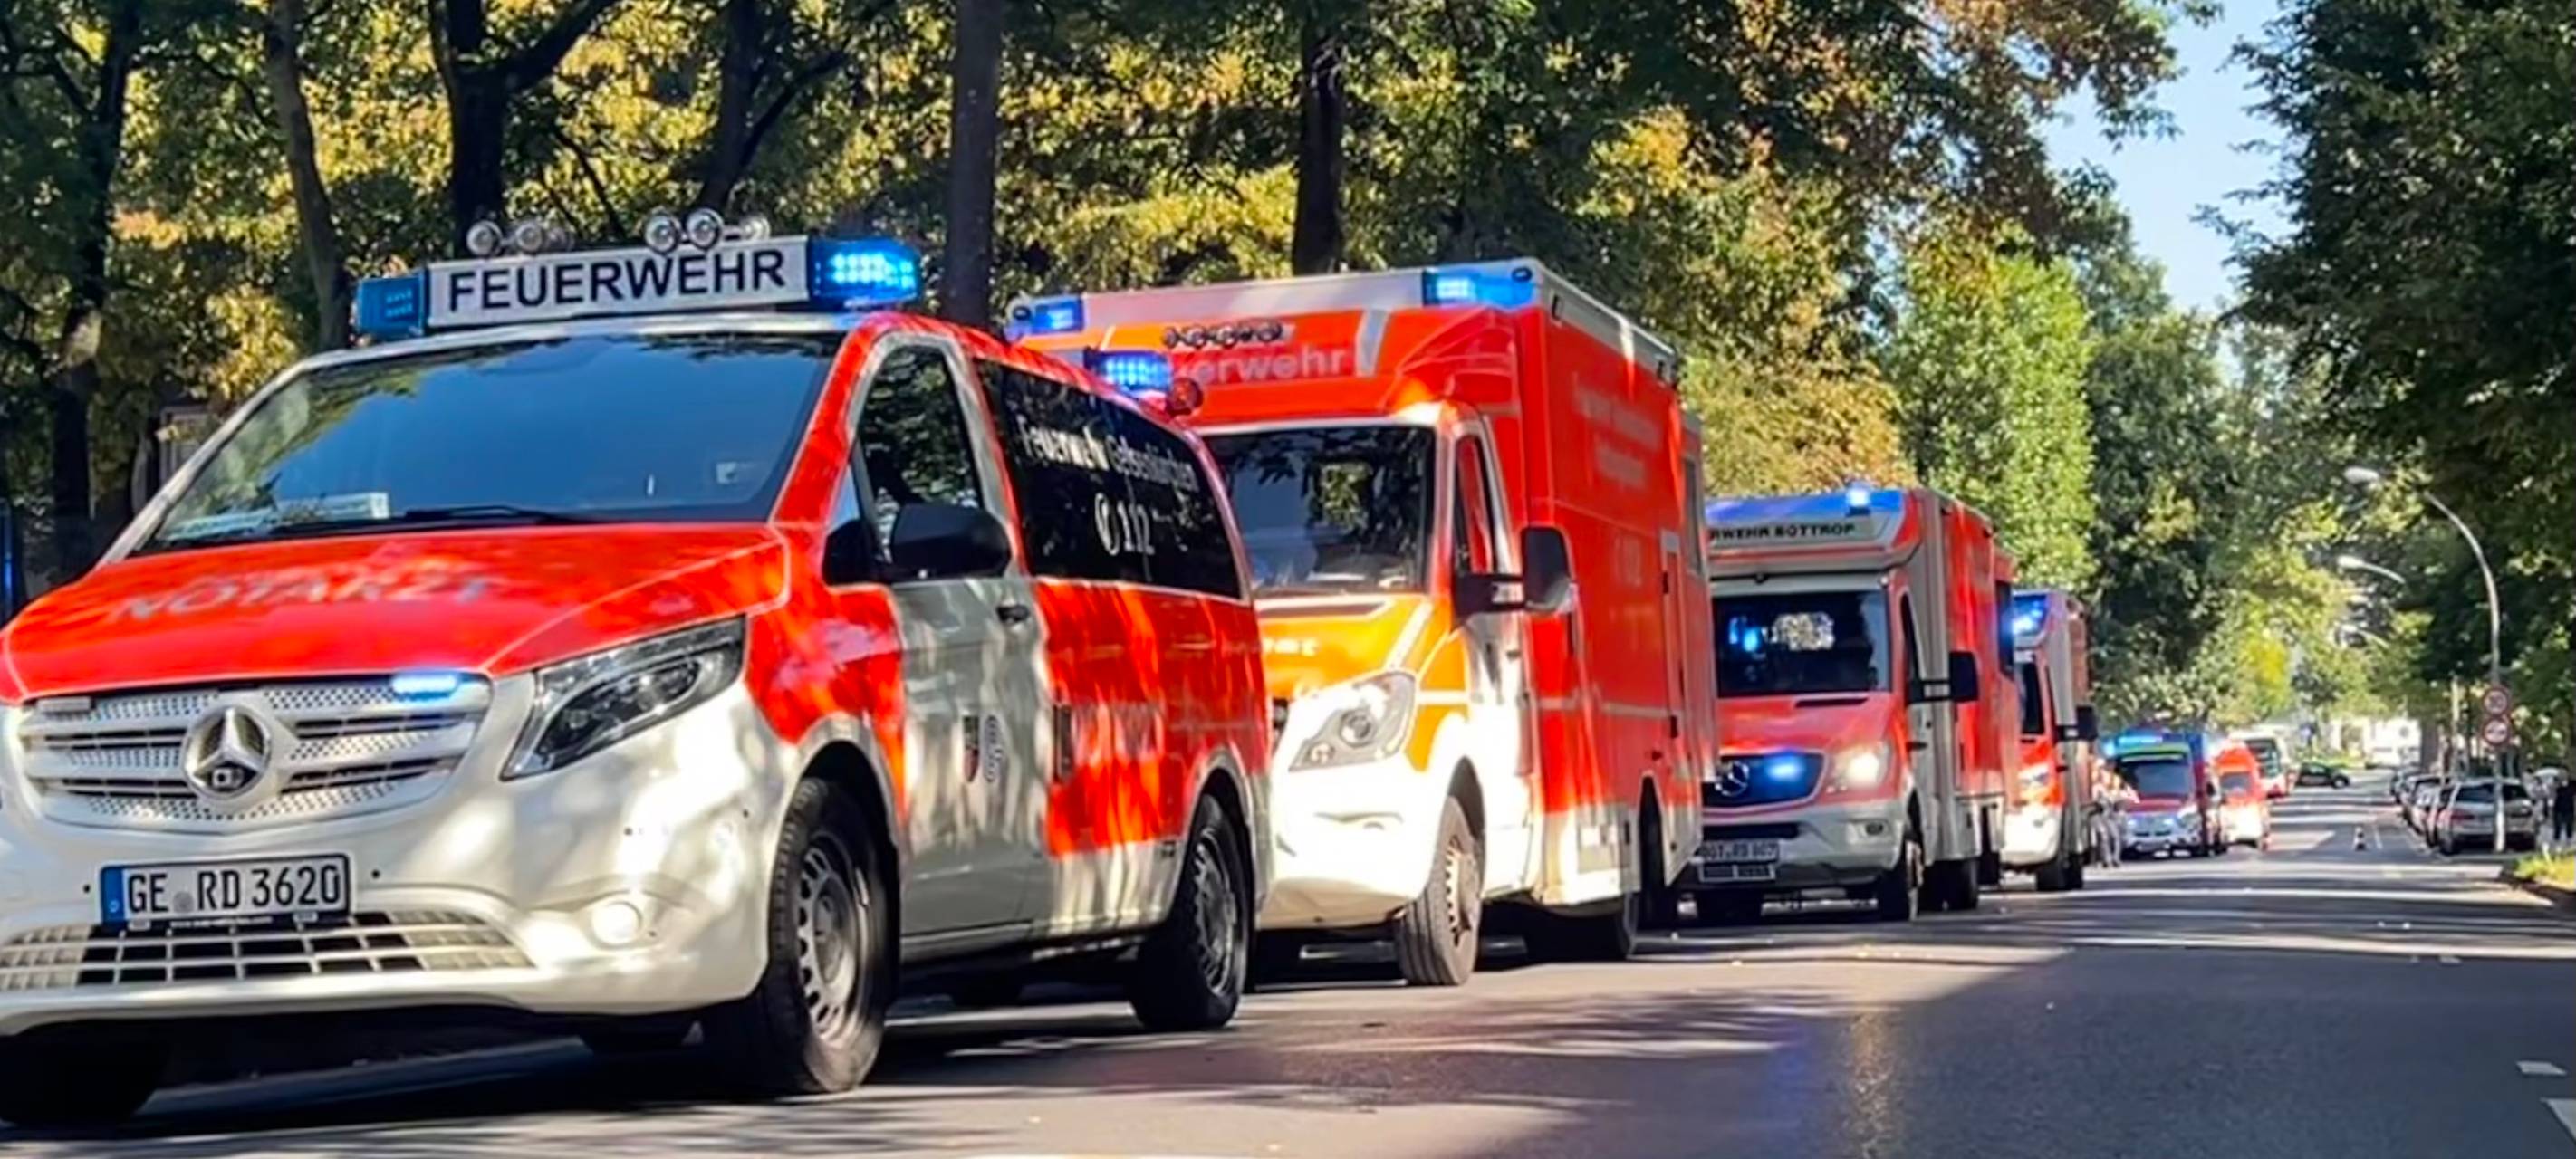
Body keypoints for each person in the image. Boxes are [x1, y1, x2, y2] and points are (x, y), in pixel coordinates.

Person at [2551, 772, 2574, 853]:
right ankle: (2557, 844)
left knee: (2569, 826)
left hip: (2569, 809)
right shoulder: (2556, 785)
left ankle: (2569, 843)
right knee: (2558, 827)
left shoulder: (2572, 785)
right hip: (2558, 809)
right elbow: (2552, 794)